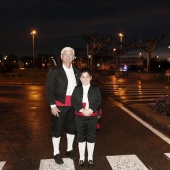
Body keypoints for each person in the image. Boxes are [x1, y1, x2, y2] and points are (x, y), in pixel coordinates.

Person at [46, 47, 80, 164]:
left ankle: (69, 150)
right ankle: (56, 152)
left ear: (73, 57)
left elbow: (81, 88)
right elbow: (49, 90)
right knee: (58, 130)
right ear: (61, 57)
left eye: (71, 55)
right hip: (60, 105)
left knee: (72, 129)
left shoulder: (77, 70)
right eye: (65, 54)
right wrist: (52, 105)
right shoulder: (55, 71)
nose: (68, 56)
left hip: (74, 106)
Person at [72, 68, 102, 168]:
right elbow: (74, 101)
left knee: (91, 136)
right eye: (83, 77)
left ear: (91, 78)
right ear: (80, 78)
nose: (85, 79)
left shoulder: (95, 88)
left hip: (92, 116)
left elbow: (98, 100)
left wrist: (91, 109)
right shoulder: (76, 89)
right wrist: (81, 109)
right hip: (79, 116)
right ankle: (81, 157)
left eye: (87, 77)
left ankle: (90, 158)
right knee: (80, 136)